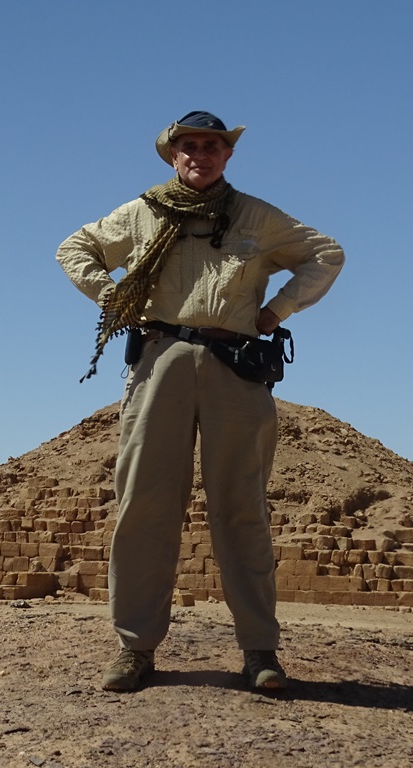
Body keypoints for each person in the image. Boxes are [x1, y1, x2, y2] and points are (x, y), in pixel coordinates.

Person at [55, 111, 345, 692]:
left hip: (233, 366)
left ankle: (260, 651)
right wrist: (114, 298)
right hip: (159, 360)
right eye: (190, 146)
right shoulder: (142, 212)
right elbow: (76, 247)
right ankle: (135, 648)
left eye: (212, 146)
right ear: (173, 154)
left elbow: (326, 254)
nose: (201, 155)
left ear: (227, 155)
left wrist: (275, 312)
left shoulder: (256, 216)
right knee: (143, 505)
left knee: (242, 508)